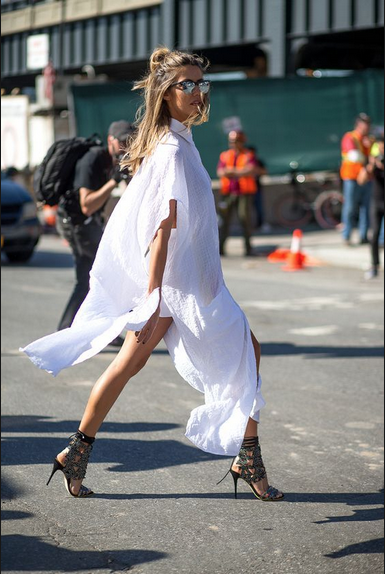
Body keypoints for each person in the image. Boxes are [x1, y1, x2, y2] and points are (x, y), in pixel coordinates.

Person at [21, 48, 283, 502]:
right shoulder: (169, 152)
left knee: (209, 357)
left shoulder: (181, 142)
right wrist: (152, 296)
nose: (199, 93)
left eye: (203, 84)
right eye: (188, 85)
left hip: (195, 286)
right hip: (175, 291)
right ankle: (245, 456)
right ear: (166, 93)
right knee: (153, 362)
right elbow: (162, 230)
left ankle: (76, 453)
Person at [56, 120, 134, 344]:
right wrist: (113, 183)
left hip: (89, 222)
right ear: (110, 141)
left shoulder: (119, 162)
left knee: (91, 278)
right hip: (74, 222)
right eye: (122, 142)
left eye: (130, 141)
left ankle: (76, 330)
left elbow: (128, 199)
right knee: (103, 273)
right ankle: (73, 331)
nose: (126, 146)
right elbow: (86, 204)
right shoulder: (92, 160)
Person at [217, 131, 260, 257]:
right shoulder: (225, 155)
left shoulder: (248, 155)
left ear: (242, 141)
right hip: (228, 193)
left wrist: (232, 171)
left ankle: (248, 248)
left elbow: (250, 170)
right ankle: (220, 249)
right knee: (224, 221)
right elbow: (221, 172)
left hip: (243, 193)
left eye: (236, 141)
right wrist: (239, 172)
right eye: (232, 141)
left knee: (244, 219)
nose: (234, 144)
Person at [340, 113, 373, 246]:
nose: (367, 127)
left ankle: (363, 235)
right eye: (365, 124)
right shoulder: (350, 137)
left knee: (367, 207)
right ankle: (346, 235)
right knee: (350, 207)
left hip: (367, 178)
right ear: (359, 124)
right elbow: (353, 156)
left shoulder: (370, 140)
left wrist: (369, 146)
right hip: (352, 177)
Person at [365, 136, 384, 279]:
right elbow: (361, 180)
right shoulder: (374, 160)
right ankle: (374, 266)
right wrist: (371, 166)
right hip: (376, 202)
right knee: (374, 234)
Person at [248, 145, 270, 233]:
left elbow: (264, 171)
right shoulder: (244, 161)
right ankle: (249, 225)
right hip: (246, 190)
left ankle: (260, 224)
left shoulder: (258, 162)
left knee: (259, 208)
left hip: (257, 188)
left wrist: (255, 170)